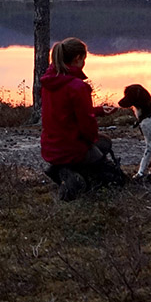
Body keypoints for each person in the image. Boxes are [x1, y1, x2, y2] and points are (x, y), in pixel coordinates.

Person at [40, 37, 126, 200]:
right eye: (84, 59)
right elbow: (87, 124)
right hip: (71, 147)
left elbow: (65, 113)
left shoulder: (49, 82)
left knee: (98, 147)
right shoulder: (78, 87)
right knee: (113, 172)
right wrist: (91, 141)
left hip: (50, 147)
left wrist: (99, 110)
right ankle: (74, 176)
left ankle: (63, 169)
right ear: (78, 58)